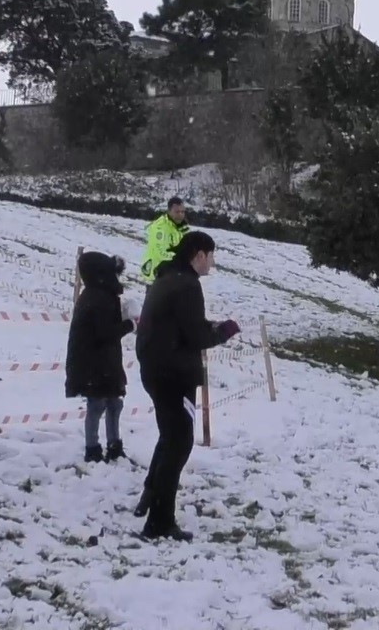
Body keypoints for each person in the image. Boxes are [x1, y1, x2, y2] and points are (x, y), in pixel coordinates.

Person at [132, 231, 240, 540]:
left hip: (156, 370)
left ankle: (150, 498)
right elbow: (196, 338)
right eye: (211, 256)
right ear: (199, 255)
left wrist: (209, 325)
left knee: (170, 437)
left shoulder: (167, 279)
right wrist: (225, 331)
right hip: (174, 375)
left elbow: (181, 325)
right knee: (179, 442)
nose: (213, 263)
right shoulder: (188, 286)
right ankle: (159, 522)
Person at [66, 252, 136, 463]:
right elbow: (104, 332)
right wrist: (130, 324)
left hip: (104, 361)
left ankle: (114, 446)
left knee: (114, 402)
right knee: (97, 405)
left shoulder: (99, 295)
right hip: (94, 363)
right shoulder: (98, 298)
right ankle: (93, 449)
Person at [139, 197, 189, 282]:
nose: (180, 215)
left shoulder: (181, 227)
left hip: (171, 273)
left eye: (183, 212)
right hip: (157, 274)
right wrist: (182, 260)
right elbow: (161, 252)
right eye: (177, 212)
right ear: (169, 211)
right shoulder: (161, 228)